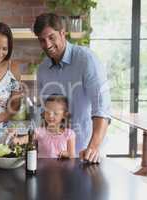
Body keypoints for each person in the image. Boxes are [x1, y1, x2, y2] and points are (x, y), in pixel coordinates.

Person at [33, 13, 111, 163]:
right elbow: (45, 113)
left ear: (63, 33)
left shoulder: (87, 60)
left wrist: (93, 147)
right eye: (42, 40)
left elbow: (102, 108)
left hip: (86, 152)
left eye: (51, 37)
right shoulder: (42, 69)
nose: (47, 45)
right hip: (55, 159)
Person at [11, 94, 76, 158]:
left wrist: (67, 154)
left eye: (55, 113)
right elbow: (21, 140)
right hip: (42, 168)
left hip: (62, 168)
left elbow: (72, 155)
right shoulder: (39, 132)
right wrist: (15, 138)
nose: (50, 116)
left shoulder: (69, 134)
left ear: (64, 115)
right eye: (47, 112)